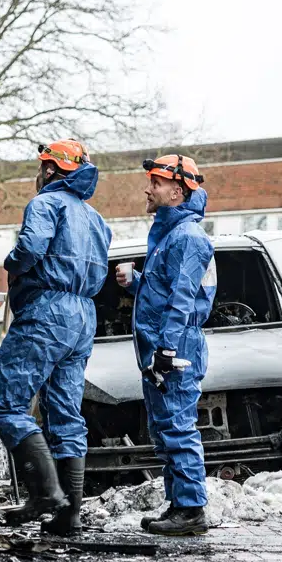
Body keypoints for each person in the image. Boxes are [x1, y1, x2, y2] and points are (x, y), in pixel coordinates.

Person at [0, 139, 112, 534]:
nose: (37, 175)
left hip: (46, 312)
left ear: (52, 170)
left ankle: (43, 491)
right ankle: (68, 514)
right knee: (66, 414)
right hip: (83, 316)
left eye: (41, 167)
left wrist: (11, 264)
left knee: (4, 405)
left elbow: (30, 249)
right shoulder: (96, 219)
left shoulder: (45, 204)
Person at [115, 154, 216, 536]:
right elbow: (166, 292)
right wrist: (137, 279)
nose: (148, 188)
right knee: (165, 429)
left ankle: (191, 510)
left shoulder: (188, 238)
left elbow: (183, 300)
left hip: (176, 346)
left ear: (177, 191)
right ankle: (180, 505)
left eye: (155, 183)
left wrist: (167, 351)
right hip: (166, 344)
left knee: (177, 425)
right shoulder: (173, 235)